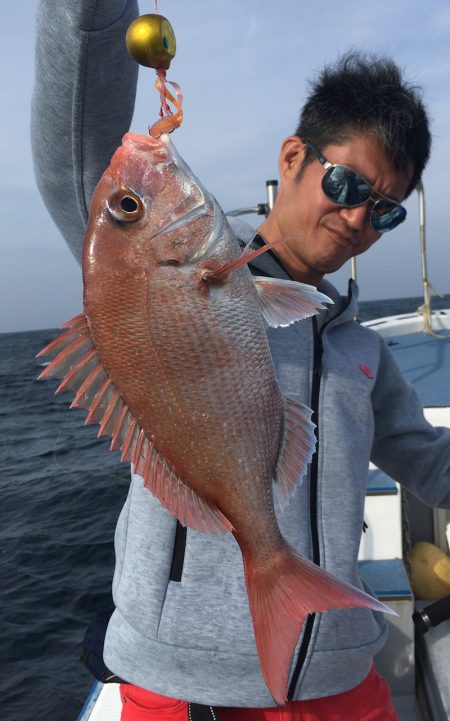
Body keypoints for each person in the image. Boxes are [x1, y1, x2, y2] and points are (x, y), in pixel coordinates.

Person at [32, 2, 450, 720]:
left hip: (342, 678)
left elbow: (428, 460)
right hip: (183, 688)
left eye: (384, 211)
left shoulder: (363, 350)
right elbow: (74, 138)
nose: (358, 220)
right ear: (292, 158)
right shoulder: (148, 271)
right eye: (349, 187)